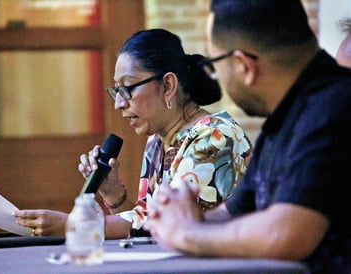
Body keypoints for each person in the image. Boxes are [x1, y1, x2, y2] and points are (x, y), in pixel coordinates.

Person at [145, 1, 351, 274]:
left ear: (244, 66)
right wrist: (183, 212)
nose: (215, 76)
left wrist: (186, 233)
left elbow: (286, 234)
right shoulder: (286, 117)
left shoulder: (333, 106)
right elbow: (236, 213)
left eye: (214, 64)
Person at [14, 28, 252, 239]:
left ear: (168, 86)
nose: (119, 103)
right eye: (117, 90)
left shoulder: (214, 137)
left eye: (127, 88)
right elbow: (143, 228)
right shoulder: (157, 142)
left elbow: (173, 226)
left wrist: (75, 226)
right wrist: (113, 192)